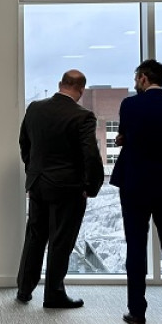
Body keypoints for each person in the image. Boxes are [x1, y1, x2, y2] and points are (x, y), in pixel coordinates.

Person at [109, 60, 162, 324]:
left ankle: (137, 313)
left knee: (135, 248)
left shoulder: (130, 105)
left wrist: (126, 139)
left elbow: (127, 135)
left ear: (143, 78)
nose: (135, 83)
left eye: (136, 79)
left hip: (135, 183)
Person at [16, 70, 104, 308]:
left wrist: (33, 171)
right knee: (60, 241)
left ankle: (24, 289)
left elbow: (24, 143)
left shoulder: (35, 108)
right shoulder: (83, 116)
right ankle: (53, 294)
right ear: (81, 90)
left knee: (34, 237)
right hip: (68, 188)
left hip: (38, 184)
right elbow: (91, 155)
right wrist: (91, 186)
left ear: (60, 84)